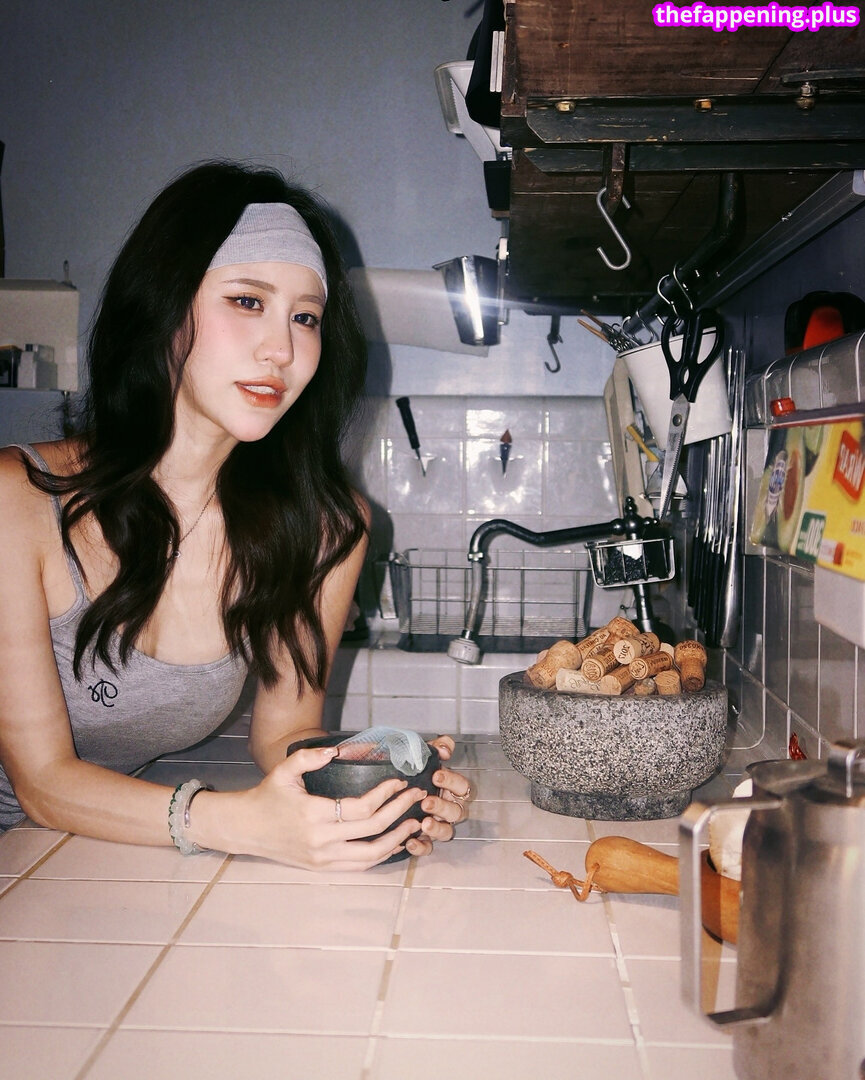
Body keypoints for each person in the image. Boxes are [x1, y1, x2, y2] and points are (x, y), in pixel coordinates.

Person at [0, 160, 472, 868]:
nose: (282, 349)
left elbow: (284, 732)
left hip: (74, 852)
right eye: (247, 301)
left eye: (305, 317)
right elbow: (40, 784)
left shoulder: (325, 529)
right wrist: (239, 824)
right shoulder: (20, 499)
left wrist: (373, 782)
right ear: (164, 307)